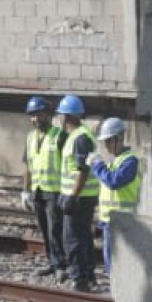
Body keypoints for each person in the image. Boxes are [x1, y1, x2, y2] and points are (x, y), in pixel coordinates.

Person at [88, 117, 141, 280]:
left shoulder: (130, 161)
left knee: (118, 263)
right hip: (110, 221)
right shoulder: (114, 162)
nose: (106, 146)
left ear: (119, 138)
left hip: (123, 221)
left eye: (109, 141)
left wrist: (97, 165)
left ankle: (119, 293)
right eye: (104, 142)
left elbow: (114, 182)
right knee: (111, 261)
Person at [55, 94, 98, 291]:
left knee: (72, 239)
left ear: (68, 117)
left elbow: (83, 170)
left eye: (60, 115)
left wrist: (72, 196)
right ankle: (88, 275)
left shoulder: (80, 138)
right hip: (82, 195)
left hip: (79, 196)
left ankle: (79, 279)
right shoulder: (79, 135)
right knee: (84, 237)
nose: (58, 118)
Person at [23, 95, 68, 278]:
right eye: (32, 115)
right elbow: (27, 165)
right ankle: (52, 261)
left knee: (55, 229)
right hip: (38, 190)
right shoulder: (30, 137)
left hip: (55, 191)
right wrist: (25, 191)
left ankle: (60, 265)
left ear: (48, 115)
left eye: (39, 114)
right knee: (44, 228)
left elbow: (68, 165)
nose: (35, 119)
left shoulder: (59, 136)